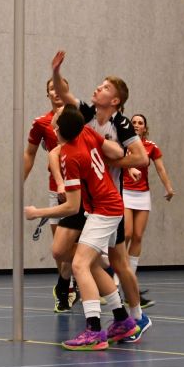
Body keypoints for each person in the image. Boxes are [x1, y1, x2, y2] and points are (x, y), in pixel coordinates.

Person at [50, 50, 152, 342]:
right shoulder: (87, 113)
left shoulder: (120, 125)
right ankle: (110, 304)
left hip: (107, 201)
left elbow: (141, 159)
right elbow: (63, 93)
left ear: (116, 100)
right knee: (61, 251)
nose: (98, 88)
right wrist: (56, 72)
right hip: (84, 199)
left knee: (118, 263)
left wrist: (111, 163)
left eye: (105, 87)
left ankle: (134, 317)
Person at [25, 106, 140, 350]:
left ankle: (94, 330)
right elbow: (110, 149)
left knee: (78, 264)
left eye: (55, 121)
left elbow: (71, 206)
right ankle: (122, 320)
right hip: (107, 205)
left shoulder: (71, 156)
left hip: (103, 210)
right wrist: (121, 156)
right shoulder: (86, 134)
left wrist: (38, 213)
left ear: (59, 130)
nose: (52, 123)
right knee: (89, 263)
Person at [23, 76, 78, 312]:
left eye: (59, 88)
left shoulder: (79, 117)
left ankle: (71, 284)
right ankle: (66, 287)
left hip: (82, 189)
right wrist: (19, 182)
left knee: (82, 244)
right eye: (51, 90)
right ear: (47, 94)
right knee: (60, 247)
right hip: (58, 190)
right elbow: (31, 154)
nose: (55, 92)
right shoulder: (41, 123)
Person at [123, 113, 175, 309]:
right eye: (133, 122)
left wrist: (169, 188)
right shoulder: (124, 144)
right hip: (125, 192)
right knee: (126, 233)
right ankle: (118, 279)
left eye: (140, 123)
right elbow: (119, 162)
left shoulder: (151, 146)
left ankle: (131, 278)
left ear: (145, 128)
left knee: (137, 236)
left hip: (142, 195)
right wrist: (129, 170)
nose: (136, 125)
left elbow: (160, 169)